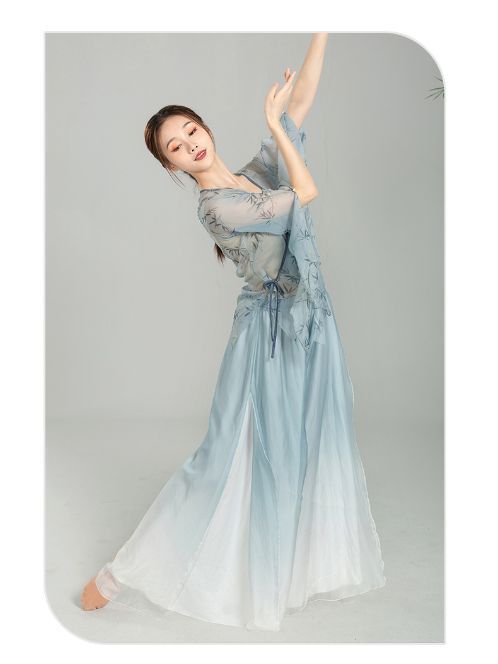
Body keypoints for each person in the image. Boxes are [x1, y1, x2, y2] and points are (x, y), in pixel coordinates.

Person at [81, 33, 386, 632]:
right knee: (220, 457)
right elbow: (305, 192)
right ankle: (120, 574)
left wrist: (322, 30)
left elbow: (299, 103)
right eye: (175, 146)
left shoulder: (251, 176)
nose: (189, 144)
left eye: (191, 130)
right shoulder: (215, 206)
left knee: (298, 450)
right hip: (264, 338)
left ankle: (278, 574)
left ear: (205, 128)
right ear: (171, 166)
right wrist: (274, 123)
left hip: (308, 320)